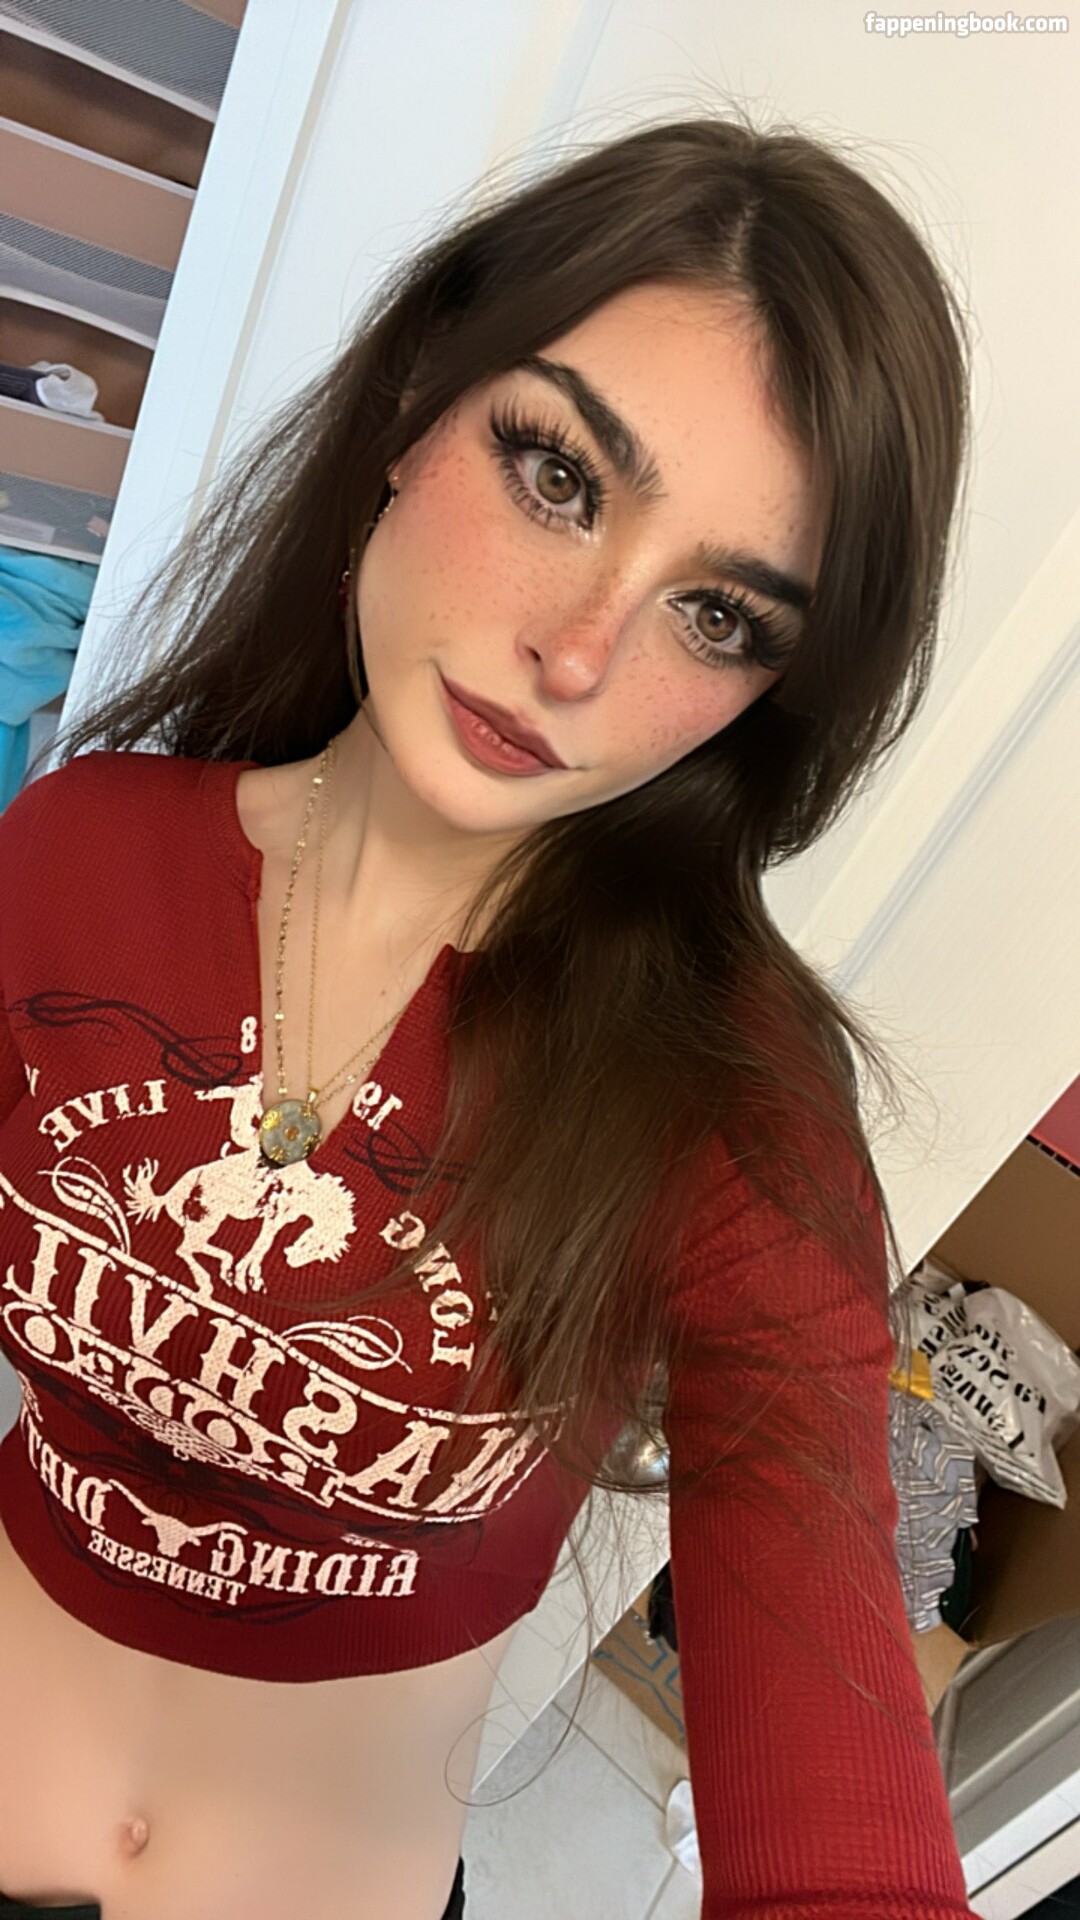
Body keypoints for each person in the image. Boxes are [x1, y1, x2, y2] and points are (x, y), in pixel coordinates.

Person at [0, 113, 980, 1919]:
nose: (583, 651)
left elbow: (829, 1707)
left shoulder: (727, 1109)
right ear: (417, 405)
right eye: (558, 476)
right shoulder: (77, 851)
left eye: (717, 612)